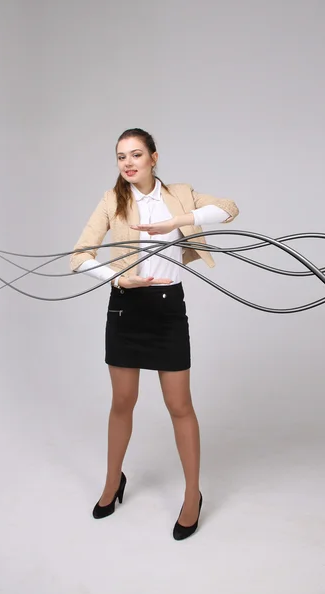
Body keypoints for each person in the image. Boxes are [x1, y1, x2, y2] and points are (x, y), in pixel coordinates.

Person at [70, 128, 239, 540]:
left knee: (180, 405)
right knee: (122, 402)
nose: (128, 163)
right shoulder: (113, 200)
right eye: (120, 156)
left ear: (153, 157)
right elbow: (79, 255)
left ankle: (193, 495)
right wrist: (117, 278)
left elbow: (229, 209)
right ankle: (113, 482)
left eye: (136, 155)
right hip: (126, 307)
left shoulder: (179, 193)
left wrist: (176, 223)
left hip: (167, 310)